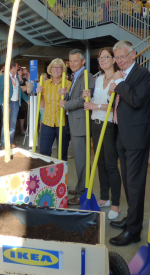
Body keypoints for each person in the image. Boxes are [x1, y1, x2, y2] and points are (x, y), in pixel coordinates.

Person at [108, 40, 150, 246]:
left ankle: (134, 231)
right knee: (128, 182)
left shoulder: (142, 74)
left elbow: (136, 100)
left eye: (123, 57)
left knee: (135, 185)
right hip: (122, 134)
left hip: (136, 137)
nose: (119, 61)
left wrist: (119, 84)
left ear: (133, 54)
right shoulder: (123, 76)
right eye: (116, 57)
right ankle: (131, 218)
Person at [83, 48, 121, 220]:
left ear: (114, 60)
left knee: (111, 165)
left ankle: (116, 203)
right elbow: (95, 103)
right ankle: (104, 197)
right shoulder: (98, 80)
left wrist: (96, 106)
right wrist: (88, 100)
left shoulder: (119, 79)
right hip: (96, 124)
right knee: (100, 163)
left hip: (110, 125)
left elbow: (117, 106)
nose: (102, 59)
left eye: (106, 57)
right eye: (100, 57)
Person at [59, 49, 95, 205]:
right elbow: (77, 97)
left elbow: (83, 100)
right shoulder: (75, 76)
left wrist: (66, 104)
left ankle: (82, 194)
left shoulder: (87, 76)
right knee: (80, 160)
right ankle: (81, 187)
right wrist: (66, 95)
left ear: (83, 61)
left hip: (81, 124)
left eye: (75, 61)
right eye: (70, 61)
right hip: (74, 123)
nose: (72, 63)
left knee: (82, 160)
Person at [37, 59, 72, 161]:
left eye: (59, 67)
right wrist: (39, 95)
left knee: (62, 153)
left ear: (63, 70)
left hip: (63, 123)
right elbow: (42, 106)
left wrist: (66, 97)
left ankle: (60, 176)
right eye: (54, 67)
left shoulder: (69, 84)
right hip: (47, 122)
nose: (56, 70)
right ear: (50, 69)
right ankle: (46, 175)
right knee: (44, 152)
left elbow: (72, 103)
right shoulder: (44, 84)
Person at [0, 62, 29, 149]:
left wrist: (27, 99)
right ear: (12, 67)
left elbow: (20, 91)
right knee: (6, 124)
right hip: (7, 103)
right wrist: (4, 103)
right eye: (17, 67)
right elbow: (0, 91)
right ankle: (4, 144)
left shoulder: (17, 77)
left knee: (13, 124)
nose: (18, 69)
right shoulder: (3, 77)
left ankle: (10, 142)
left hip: (16, 103)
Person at [17, 67, 28, 135]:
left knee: (22, 114)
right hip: (17, 99)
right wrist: (22, 88)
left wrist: (20, 88)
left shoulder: (24, 79)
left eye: (21, 70)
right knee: (16, 115)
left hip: (24, 99)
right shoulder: (15, 78)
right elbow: (16, 88)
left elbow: (27, 87)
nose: (21, 71)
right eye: (19, 70)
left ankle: (22, 129)